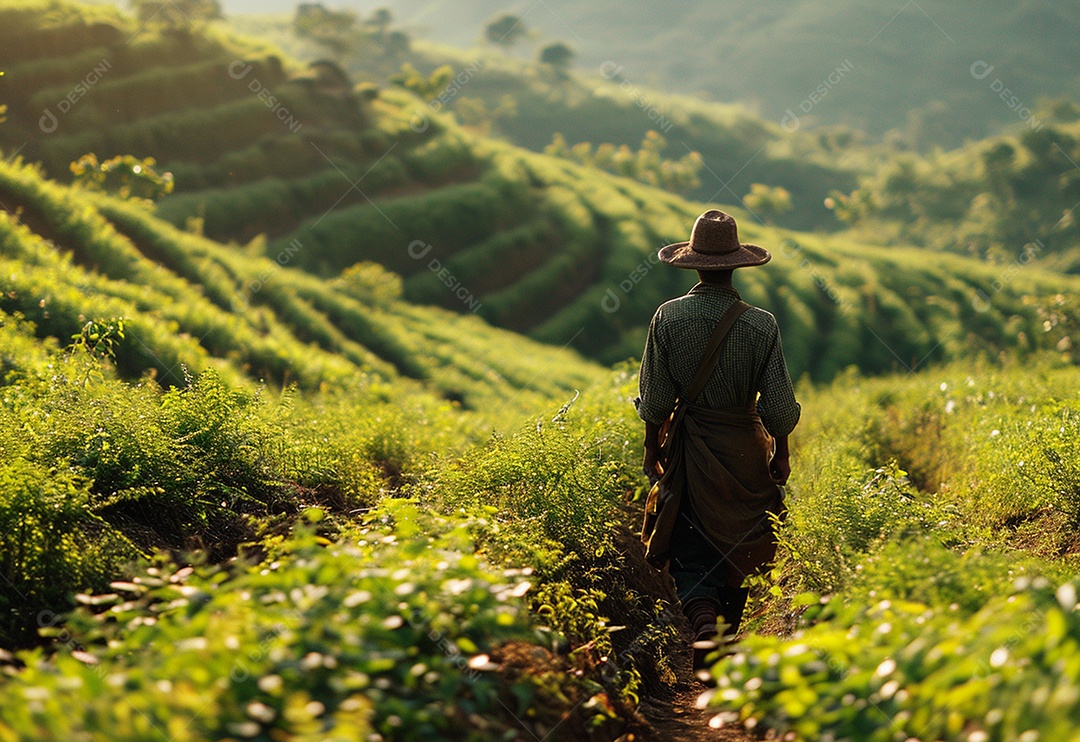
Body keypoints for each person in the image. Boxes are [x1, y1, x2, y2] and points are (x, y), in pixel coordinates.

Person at [635, 209, 800, 674]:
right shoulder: (761, 325)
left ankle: (703, 620)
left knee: (691, 542)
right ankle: (721, 639)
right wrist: (781, 454)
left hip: (689, 448)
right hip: (745, 450)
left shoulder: (667, 317)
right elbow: (779, 406)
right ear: (736, 264)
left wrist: (652, 448)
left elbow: (655, 400)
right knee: (741, 543)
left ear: (694, 264)